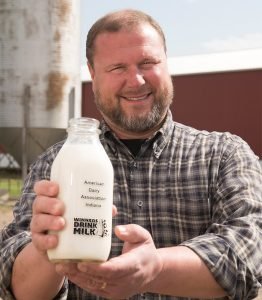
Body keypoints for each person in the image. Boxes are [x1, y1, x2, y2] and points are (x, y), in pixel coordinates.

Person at [0, 9, 261, 300]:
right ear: (92, 73)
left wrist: (155, 269)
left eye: (147, 63)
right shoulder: (54, 164)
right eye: (117, 68)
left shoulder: (223, 155)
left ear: (166, 62)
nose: (135, 81)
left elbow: (249, 253)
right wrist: (45, 248)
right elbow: (18, 288)